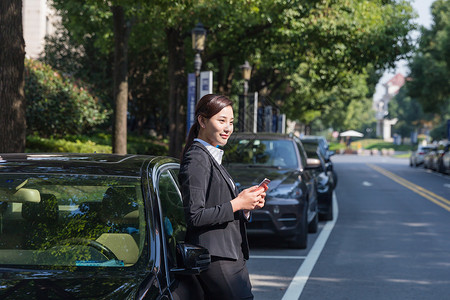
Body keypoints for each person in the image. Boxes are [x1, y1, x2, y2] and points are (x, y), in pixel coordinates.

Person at [179, 94, 266, 300]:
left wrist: (245, 206)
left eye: (231, 122)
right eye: (221, 121)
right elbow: (194, 216)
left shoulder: (210, 156)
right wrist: (237, 203)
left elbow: (217, 204)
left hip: (230, 256)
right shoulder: (197, 158)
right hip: (217, 259)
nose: (228, 128)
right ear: (202, 121)